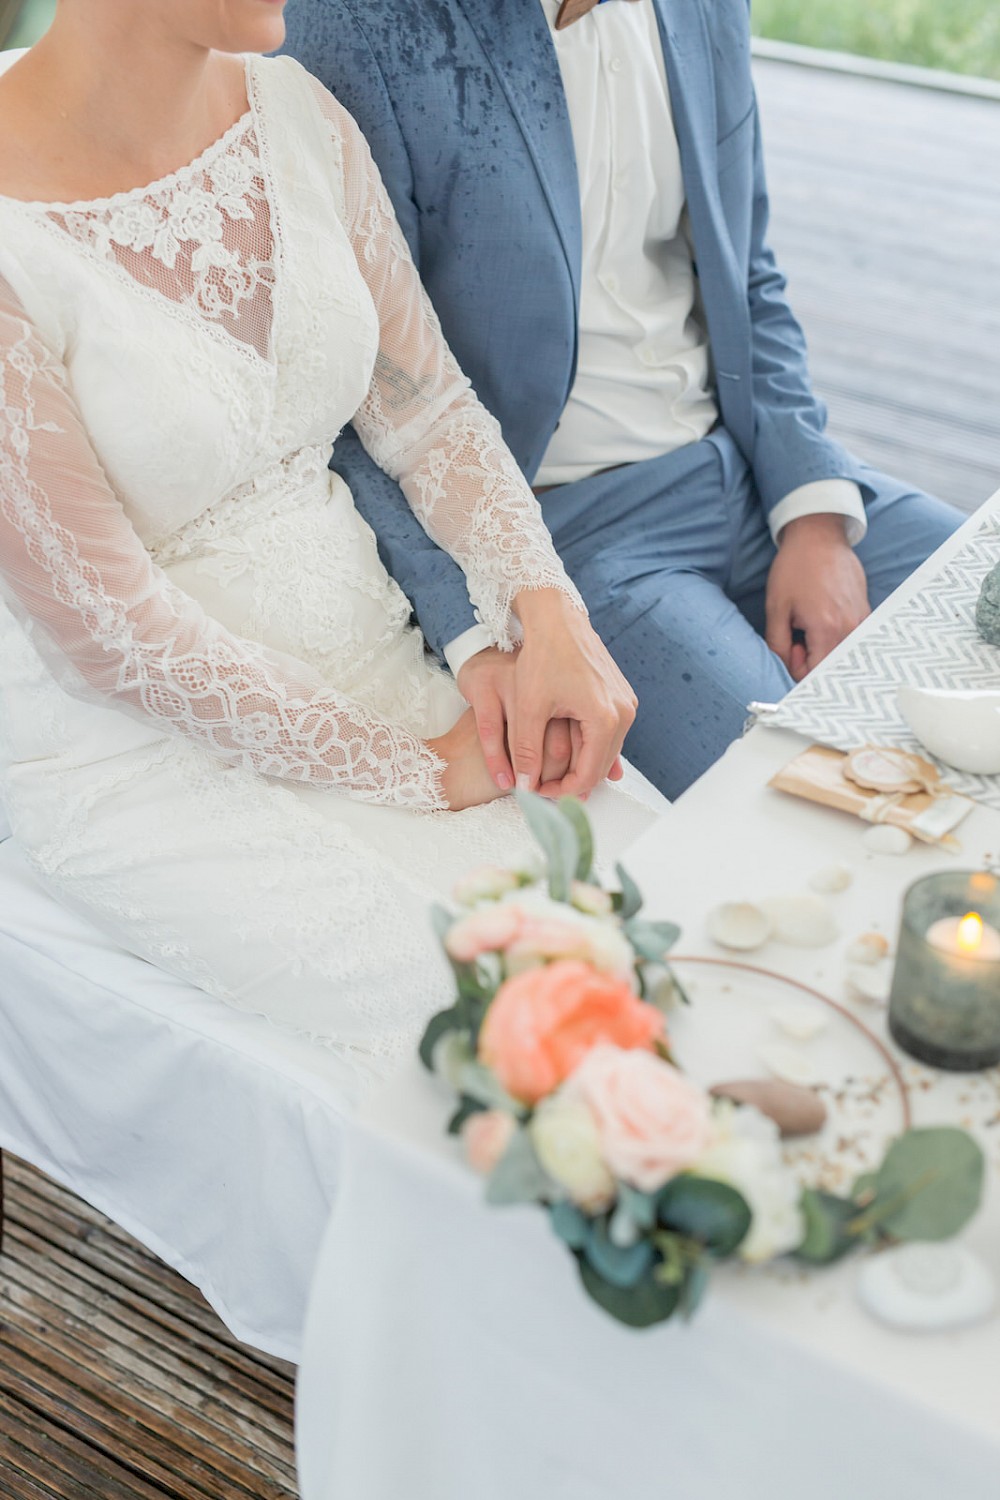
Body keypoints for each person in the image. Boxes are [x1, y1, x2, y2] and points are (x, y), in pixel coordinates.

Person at [0, 0, 660, 1102]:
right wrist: (416, 769)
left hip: (374, 649)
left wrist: (544, 613)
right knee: (512, 1032)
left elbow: (428, 413)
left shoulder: (297, 109)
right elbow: (109, 632)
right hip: (130, 746)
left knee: (656, 897)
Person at [285, 0, 964, 801]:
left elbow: (749, 274)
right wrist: (474, 634)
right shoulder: (360, 24)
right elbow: (352, 386)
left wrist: (813, 516)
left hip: (743, 462)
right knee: (823, 795)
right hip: (577, 528)